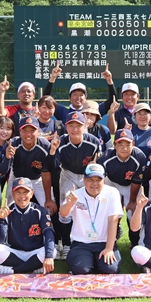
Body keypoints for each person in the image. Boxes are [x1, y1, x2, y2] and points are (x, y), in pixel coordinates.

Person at [58, 163, 123, 274]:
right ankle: (86, 262)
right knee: (81, 270)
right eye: (90, 179)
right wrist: (69, 204)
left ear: (104, 180)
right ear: (84, 180)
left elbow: (113, 220)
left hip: (104, 241)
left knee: (111, 270)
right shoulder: (75, 194)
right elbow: (63, 214)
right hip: (81, 243)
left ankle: (95, 263)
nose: (94, 184)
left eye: (98, 180)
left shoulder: (112, 193)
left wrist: (109, 248)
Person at [53, 111, 101, 259]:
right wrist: (53, 150)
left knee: (88, 207)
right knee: (66, 208)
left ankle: (87, 240)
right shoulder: (61, 141)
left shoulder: (93, 141)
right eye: (71, 125)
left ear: (85, 125)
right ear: (66, 127)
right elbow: (54, 167)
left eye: (78, 125)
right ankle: (66, 244)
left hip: (86, 175)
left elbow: (98, 161)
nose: (75, 129)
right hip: (68, 174)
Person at [0, 177, 56, 274]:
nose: (22, 196)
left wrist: (49, 257)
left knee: (52, 252)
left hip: (35, 252)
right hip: (15, 252)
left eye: (25, 192)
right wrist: (1, 219)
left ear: (32, 193)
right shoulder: (8, 211)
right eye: (18, 192)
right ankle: (33, 268)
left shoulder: (40, 211)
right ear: (13, 194)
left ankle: (13, 270)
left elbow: (49, 233)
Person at [4, 116, 58, 213]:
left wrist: (49, 199)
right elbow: (4, 170)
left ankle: (47, 227)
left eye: (32, 130)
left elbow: (46, 173)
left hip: (36, 179)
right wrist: (7, 157)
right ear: (19, 131)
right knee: (9, 208)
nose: (28, 134)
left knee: (49, 210)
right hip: (16, 177)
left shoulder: (45, 146)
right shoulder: (13, 144)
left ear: (38, 131)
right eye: (24, 130)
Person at [41, 61, 117, 123]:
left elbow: (112, 101)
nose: (78, 98)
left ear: (86, 97)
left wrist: (109, 81)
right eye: (75, 95)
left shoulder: (93, 110)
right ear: (69, 98)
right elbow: (46, 99)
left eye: (81, 95)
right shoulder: (63, 112)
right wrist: (53, 78)